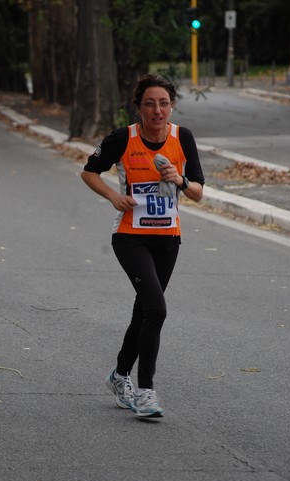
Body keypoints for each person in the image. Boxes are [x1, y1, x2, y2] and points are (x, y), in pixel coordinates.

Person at [81, 73, 205, 419]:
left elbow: (198, 190)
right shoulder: (124, 138)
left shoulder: (183, 138)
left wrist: (179, 180)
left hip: (168, 239)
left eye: (164, 103)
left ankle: (119, 376)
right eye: (149, 103)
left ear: (172, 106)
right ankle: (146, 391)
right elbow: (89, 172)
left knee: (145, 311)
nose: (157, 110)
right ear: (138, 107)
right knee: (157, 309)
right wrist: (113, 196)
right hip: (130, 237)